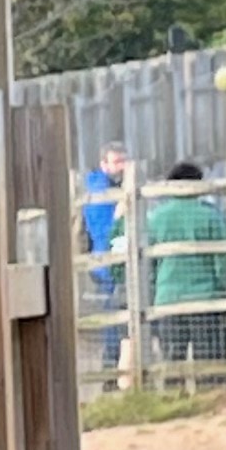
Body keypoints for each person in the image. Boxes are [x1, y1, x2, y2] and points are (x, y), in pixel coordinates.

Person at [145, 159, 226, 368]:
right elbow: (222, 262)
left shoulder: (155, 218)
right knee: (210, 360)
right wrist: (224, 290)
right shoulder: (210, 216)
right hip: (206, 298)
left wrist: (154, 290)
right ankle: (209, 396)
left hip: (169, 298)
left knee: (173, 359)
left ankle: (174, 396)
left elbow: (149, 266)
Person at [81, 142, 131, 371]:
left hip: (113, 259)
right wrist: (121, 212)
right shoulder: (100, 192)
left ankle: (116, 367)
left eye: (124, 161)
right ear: (104, 164)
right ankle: (111, 368)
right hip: (108, 262)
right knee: (114, 317)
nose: (121, 166)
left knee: (117, 315)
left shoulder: (108, 187)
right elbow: (105, 230)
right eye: (116, 162)